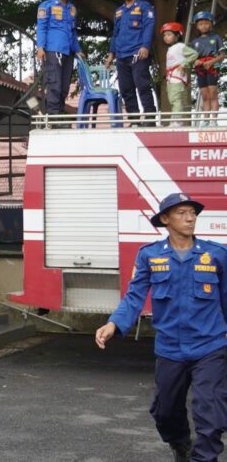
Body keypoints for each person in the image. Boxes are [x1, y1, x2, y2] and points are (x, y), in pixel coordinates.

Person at [96, 193, 227, 462]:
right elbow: (134, 296)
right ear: (165, 219)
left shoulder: (216, 254)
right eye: (182, 213)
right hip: (170, 349)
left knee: (211, 414)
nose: (190, 218)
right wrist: (113, 323)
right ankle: (180, 444)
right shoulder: (150, 255)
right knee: (165, 412)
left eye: (193, 212)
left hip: (210, 347)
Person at [105, 0, 157, 122]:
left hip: (138, 53)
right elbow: (115, 34)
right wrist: (111, 54)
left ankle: (150, 119)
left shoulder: (144, 6)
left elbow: (149, 27)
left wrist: (145, 46)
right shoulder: (119, 11)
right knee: (126, 89)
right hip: (121, 55)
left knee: (143, 86)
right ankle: (134, 120)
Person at [35, 0, 84, 117]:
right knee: (54, 84)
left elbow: (72, 32)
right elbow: (41, 27)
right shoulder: (46, 6)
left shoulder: (72, 9)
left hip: (68, 52)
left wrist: (78, 50)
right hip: (53, 50)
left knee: (64, 87)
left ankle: (59, 115)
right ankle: (53, 115)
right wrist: (40, 47)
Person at [162, 22, 198, 126]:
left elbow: (194, 54)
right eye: (164, 35)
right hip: (171, 78)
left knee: (176, 99)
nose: (166, 37)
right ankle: (174, 120)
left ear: (177, 35)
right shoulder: (170, 49)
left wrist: (184, 64)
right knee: (173, 100)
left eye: (169, 34)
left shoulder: (180, 46)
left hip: (177, 77)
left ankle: (177, 121)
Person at [191, 10, 224, 121]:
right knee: (204, 95)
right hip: (200, 69)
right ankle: (205, 120)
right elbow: (192, 58)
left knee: (212, 93)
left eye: (206, 23)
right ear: (197, 26)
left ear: (211, 24)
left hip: (212, 67)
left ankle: (213, 120)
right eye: (200, 24)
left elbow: (223, 54)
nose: (203, 26)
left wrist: (211, 62)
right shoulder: (195, 41)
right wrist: (195, 61)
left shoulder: (216, 37)